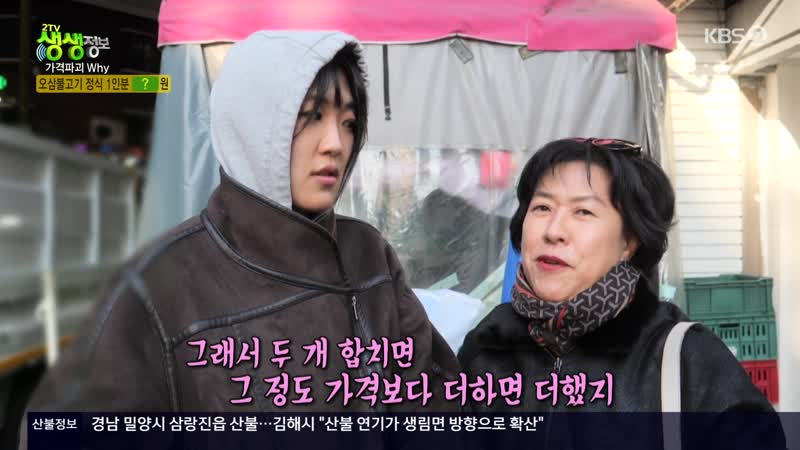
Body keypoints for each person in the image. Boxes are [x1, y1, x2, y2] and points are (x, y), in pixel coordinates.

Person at [19, 30, 460, 429]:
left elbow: (434, 397)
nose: (335, 144)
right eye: (311, 116)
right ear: (252, 125)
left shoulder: (367, 252)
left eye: (347, 122)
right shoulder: (159, 285)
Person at [457, 138, 784, 446]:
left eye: (583, 212)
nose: (553, 231)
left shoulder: (682, 357)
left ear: (629, 241)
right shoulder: (487, 344)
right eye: (542, 207)